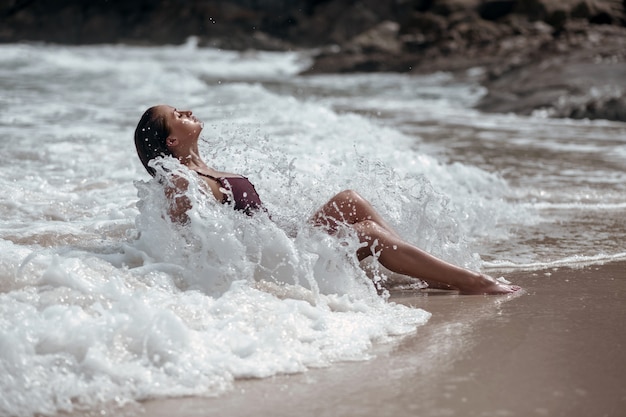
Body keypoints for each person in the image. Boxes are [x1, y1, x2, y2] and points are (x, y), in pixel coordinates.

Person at [134, 105, 521, 295]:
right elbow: (183, 229)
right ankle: (473, 282)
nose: (185, 110)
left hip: (286, 246)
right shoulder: (183, 180)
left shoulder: (203, 169)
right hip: (280, 269)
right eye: (176, 115)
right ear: (171, 141)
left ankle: (423, 270)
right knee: (366, 232)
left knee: (348, 200)